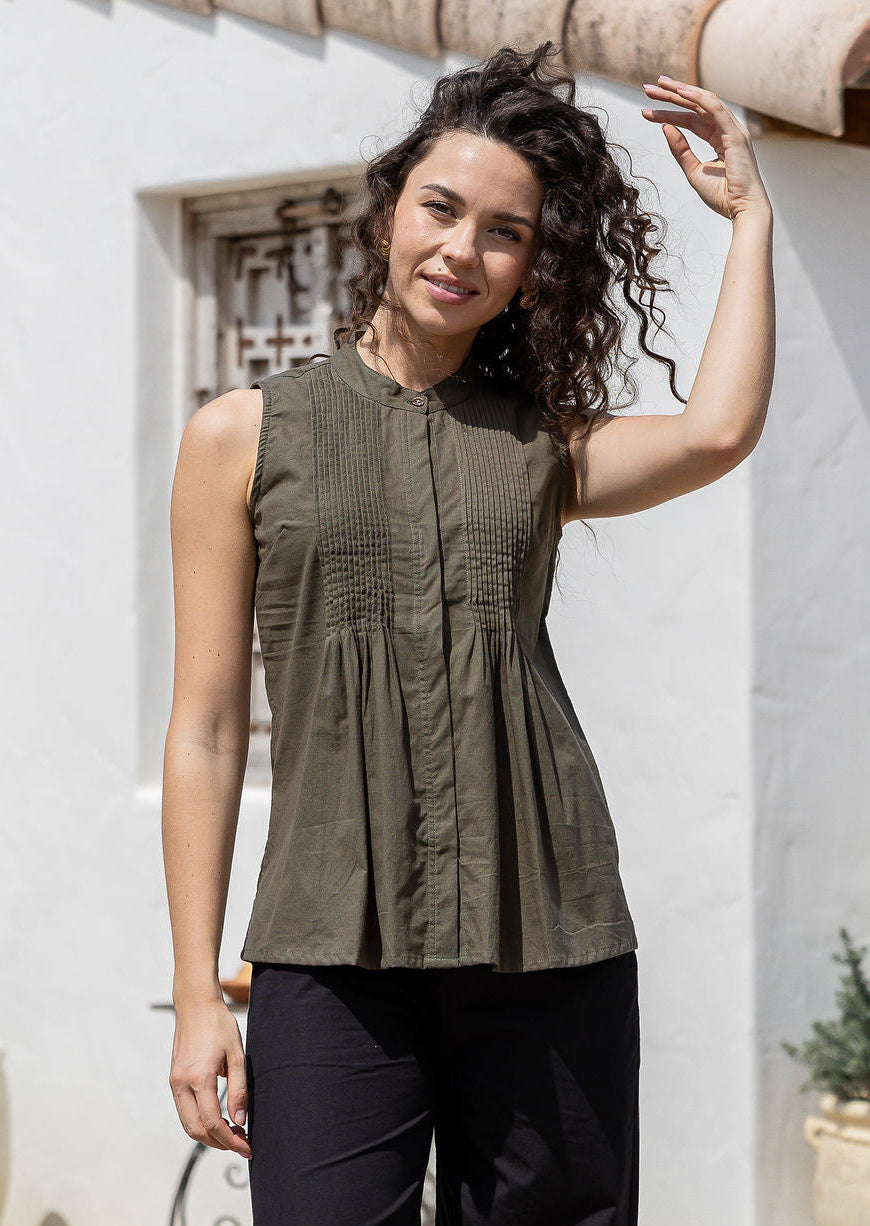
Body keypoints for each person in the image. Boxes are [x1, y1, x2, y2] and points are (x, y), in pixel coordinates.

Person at [162, 40, 774, 1226]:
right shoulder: (241, 434)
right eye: (441, 207)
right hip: (331, 946)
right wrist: (198, 990)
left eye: (507, 232)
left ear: (533, 271)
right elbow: (206, 724)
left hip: (549, 932)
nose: (463, 249)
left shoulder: (541, 445)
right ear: (388, 211)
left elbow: (715, 431)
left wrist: (749, 217)